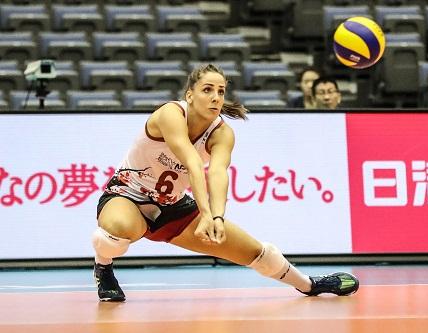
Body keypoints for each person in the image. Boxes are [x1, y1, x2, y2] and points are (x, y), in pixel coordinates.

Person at [92, 64, 359, 302]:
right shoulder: (170, 114)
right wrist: (206, 213)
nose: (216, 97)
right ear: (189, 95)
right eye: (207, 90)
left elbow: (218, 173)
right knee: (119, 230)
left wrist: (217, 218)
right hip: (127, 194)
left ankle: (309, 285)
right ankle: (103, 266)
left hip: (172, 206)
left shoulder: (222, 134)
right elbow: (193, 163)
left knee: (257, 252)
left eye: (220, 91)